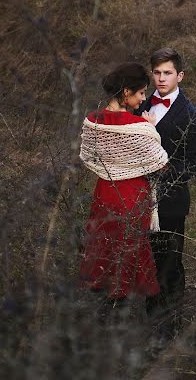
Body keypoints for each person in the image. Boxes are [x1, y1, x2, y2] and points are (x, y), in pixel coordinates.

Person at [78, 62, 168, 307]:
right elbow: (160, 164)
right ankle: (123, 311)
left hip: (104, 193)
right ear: (126, 92)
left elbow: (88, 157)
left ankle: (106, 306)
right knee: (129, 250)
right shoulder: (138, 127)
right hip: (131, 196)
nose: (143, 99)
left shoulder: (92, 120)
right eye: (140, 93)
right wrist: (151, 129)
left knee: (105, 247)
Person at [135, 47, 196, 338]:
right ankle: (151, 318)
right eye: (157, 73)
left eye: (168, 73)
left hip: (171, 201)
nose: (161, 78)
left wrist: (162, 170)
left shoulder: (191, 115)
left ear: (180, 75)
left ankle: (170, 326)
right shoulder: (139, 106)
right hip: (138, 198)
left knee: (169, 262)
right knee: (146, 259)